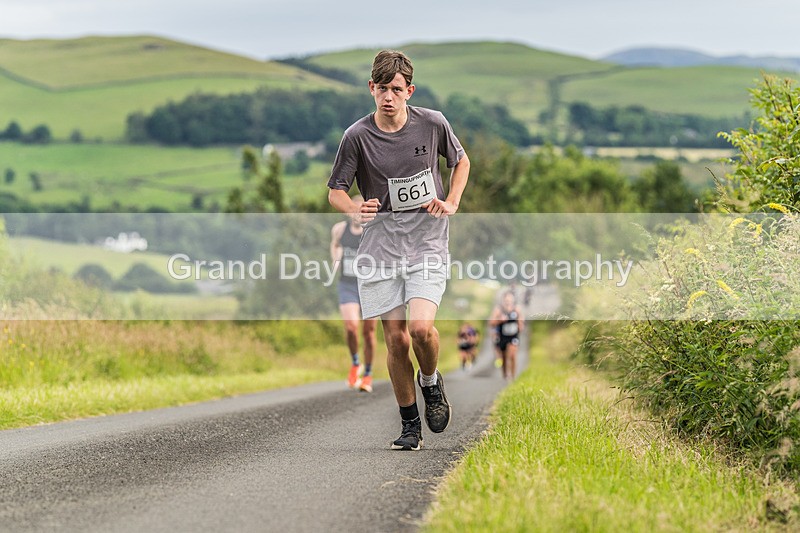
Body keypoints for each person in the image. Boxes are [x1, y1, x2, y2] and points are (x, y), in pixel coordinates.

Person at [327, 49, 470, 451]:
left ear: (409, 90)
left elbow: (461, 162)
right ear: (371, 89)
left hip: (426, 241)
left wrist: (453, 201)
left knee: (421, 329)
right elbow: (335, 191)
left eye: (396, 89)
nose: (388, 97)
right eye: (381, 89)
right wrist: (355, 206)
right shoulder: (357, 136)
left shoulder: (433, 124)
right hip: (381, 247)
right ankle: (410, 425)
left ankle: (431, 382)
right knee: (395, 339)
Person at [330, 195, 378, 392]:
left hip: (369, 286)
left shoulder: (373, 230)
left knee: (368, 333)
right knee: (351, 327)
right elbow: (335, 245)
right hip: (347, 284)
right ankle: (355, 363)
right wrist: (335, 261)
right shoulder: (340, 229)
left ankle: (367, 374)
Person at [489, 290, 524, 380]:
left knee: (512, 354)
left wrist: (520, 324)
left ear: (513, 300)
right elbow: (491, 323)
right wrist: (500, 320)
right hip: (502, 336)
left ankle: (513, 377)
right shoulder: (499, 310)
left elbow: (521, 322)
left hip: (513, 336)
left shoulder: (516, 309)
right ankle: (505, 376)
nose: (508, 302)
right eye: (506, 300)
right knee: (504, 357)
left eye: (510, 300)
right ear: (503, 300)